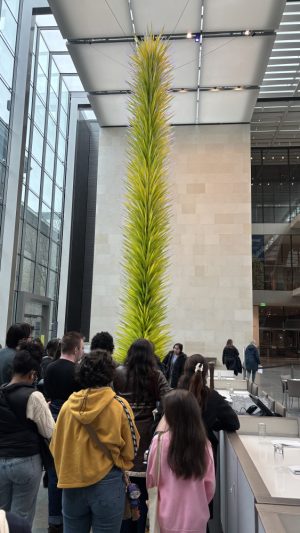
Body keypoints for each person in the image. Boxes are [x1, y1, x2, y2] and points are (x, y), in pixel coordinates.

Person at [50, 349, 139, 533]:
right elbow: (132, 448)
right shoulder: (119, 406)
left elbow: (55, 446)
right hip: (107, 482)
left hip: (72, 482)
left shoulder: (68, 406)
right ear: (110, 374)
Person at [113, 338, 170, 533]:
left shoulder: (118, 373)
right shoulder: (156, 375)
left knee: (122, 490)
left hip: (121, 432)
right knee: (145, 492)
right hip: (147, 434)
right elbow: (169, 400)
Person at [0, 342, 54, 527]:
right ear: (32, 374)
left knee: (2, 518)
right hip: (26, 460)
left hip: (1, 460)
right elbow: (49, 431)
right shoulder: (34, 396)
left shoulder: (1, 392)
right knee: (21, 518)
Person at [146, 389, 215, 533]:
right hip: (196, 518)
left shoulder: (158, 442)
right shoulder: (204, 445)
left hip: (165, 516)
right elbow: (210, 487)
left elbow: (151, 479)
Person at [44, 331, 84, 533]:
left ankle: (54, 519)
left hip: (53, 418)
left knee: (54, 471)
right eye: (82, 348)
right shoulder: (77, 371)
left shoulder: (50, 367)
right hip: (72, 420)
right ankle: (70, 515)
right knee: (70, 467)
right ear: (76, 349)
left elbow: (48, 395)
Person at [178, 354, 240, 462]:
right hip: (203, 457)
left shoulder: (174, 395)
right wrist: (214, 424)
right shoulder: (211, 396)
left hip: (176, 453)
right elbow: (234, 423)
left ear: (185, 371)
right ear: (205, 373)